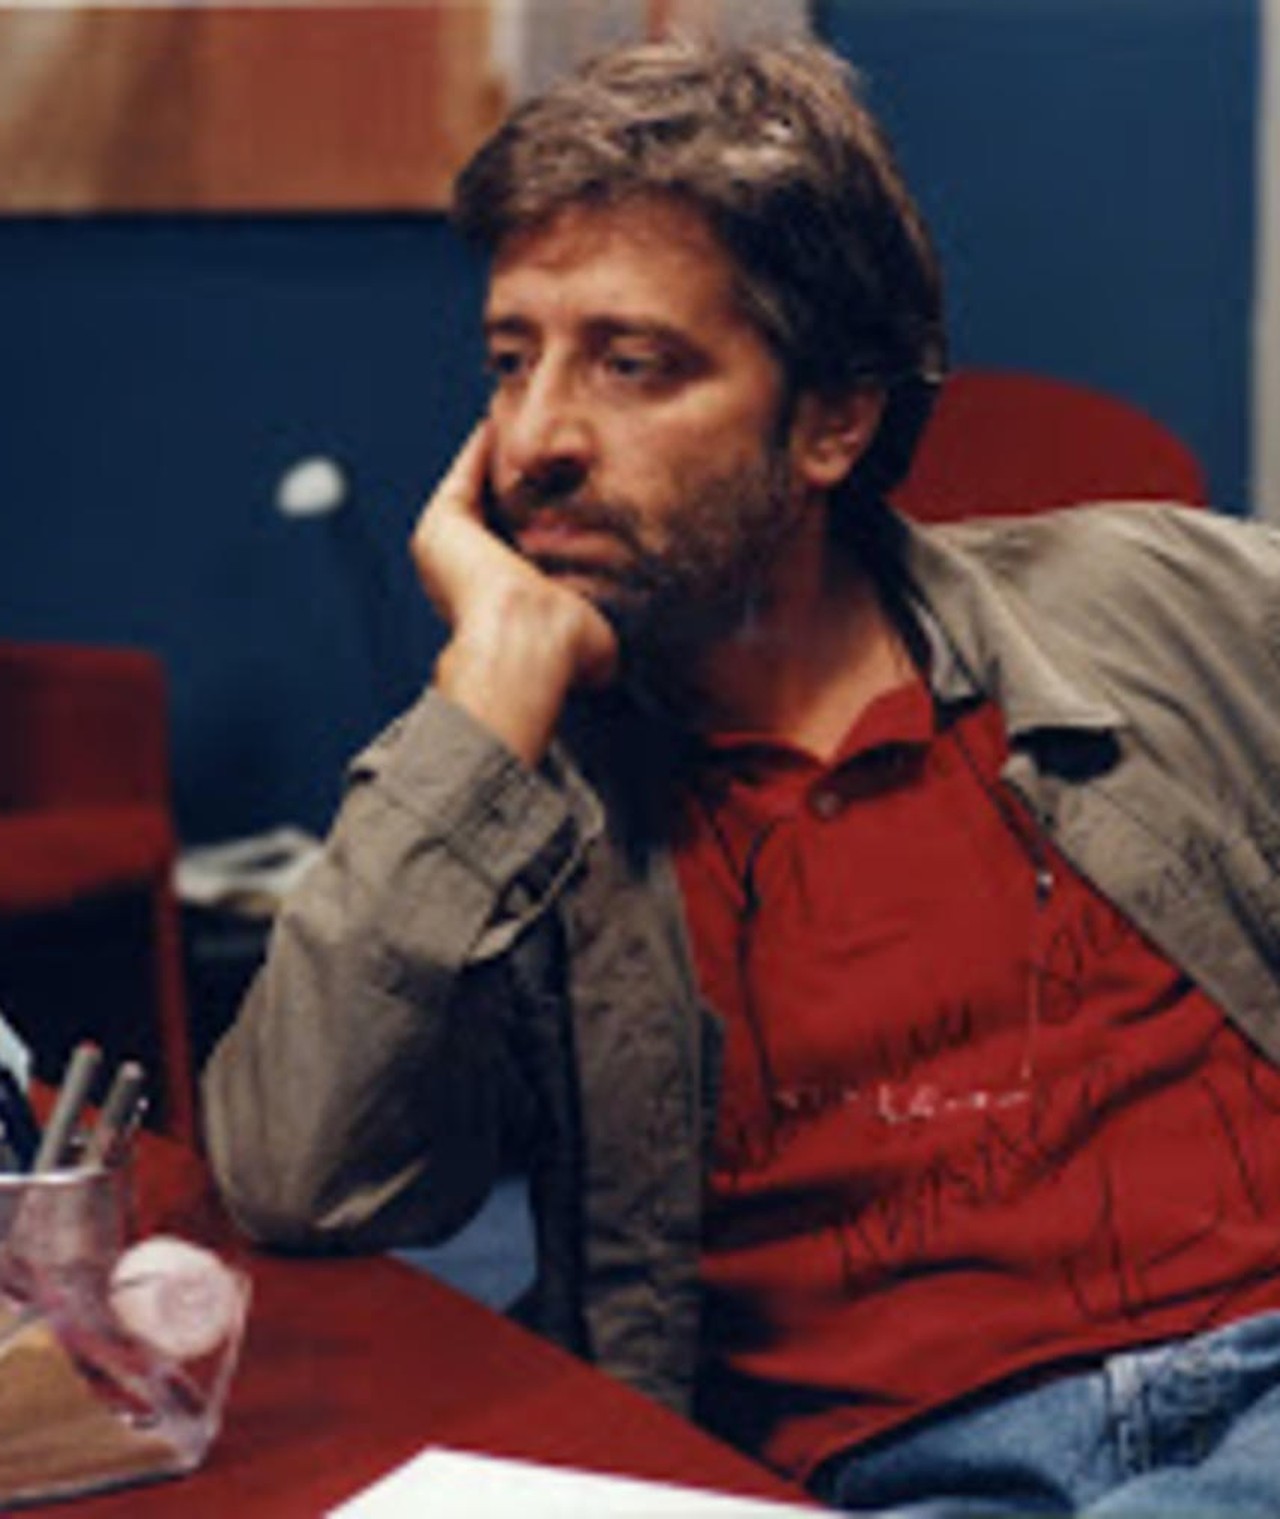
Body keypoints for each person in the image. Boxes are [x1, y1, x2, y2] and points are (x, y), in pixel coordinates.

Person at [202, 38, 1280, 1516]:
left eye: (629, 364)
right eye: (510, 362)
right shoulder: (499, 792)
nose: (535, 440)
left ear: (833, 419)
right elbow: (296, 1177)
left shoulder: (1161, 607)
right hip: (906, 1468)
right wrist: (486, 696)